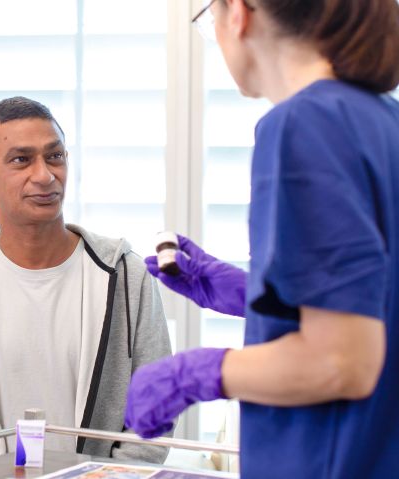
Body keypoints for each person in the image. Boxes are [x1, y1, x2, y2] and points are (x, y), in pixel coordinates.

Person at [124, 1, 399, 478]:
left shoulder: (304, 124)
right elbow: (372, 303)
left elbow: (343, 361)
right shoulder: (381, 119)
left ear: (239, 13)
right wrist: (251, 293)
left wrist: (194, 374)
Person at [0, 96, 172, 474]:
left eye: (55, 156)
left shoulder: (125, 276)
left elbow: (152, 420)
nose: (44, 175)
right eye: (21, 159)